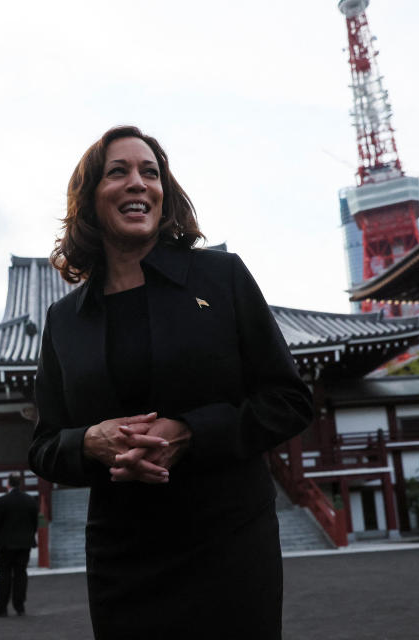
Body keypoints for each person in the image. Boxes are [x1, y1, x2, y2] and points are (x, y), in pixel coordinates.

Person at [28, 125, 313, 639]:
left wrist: (191, 432)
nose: (138, 183)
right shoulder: (66, 319)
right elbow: (45, 445)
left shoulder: (221, 277)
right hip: (123, 557)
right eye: (119, 172)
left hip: (228, 546)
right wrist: (89, 442)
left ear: (164, 193)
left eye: (150, 172)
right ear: (91, 199)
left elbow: (290, 400)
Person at [0, 473, 38, 617]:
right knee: (21, 574)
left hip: (5, 545)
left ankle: (2, 607)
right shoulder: (30, 500)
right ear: (20, 484)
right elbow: (34, 523)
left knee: (4, 574)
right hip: (24, 544)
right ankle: (19, 606)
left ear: (8, 484)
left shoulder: (2, 501)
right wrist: (29, 536)